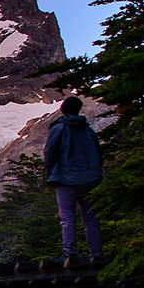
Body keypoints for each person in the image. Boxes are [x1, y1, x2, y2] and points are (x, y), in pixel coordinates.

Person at [45, 96, 104, 265]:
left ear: (63, 109)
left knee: (67, 217)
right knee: (91, 217)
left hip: (65, 178)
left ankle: (69, 253)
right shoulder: (88, 130)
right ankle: (96, 252)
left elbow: (50, 152)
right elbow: (98, 153)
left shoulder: (59, 128)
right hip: (90, 179)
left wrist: (50, 172)